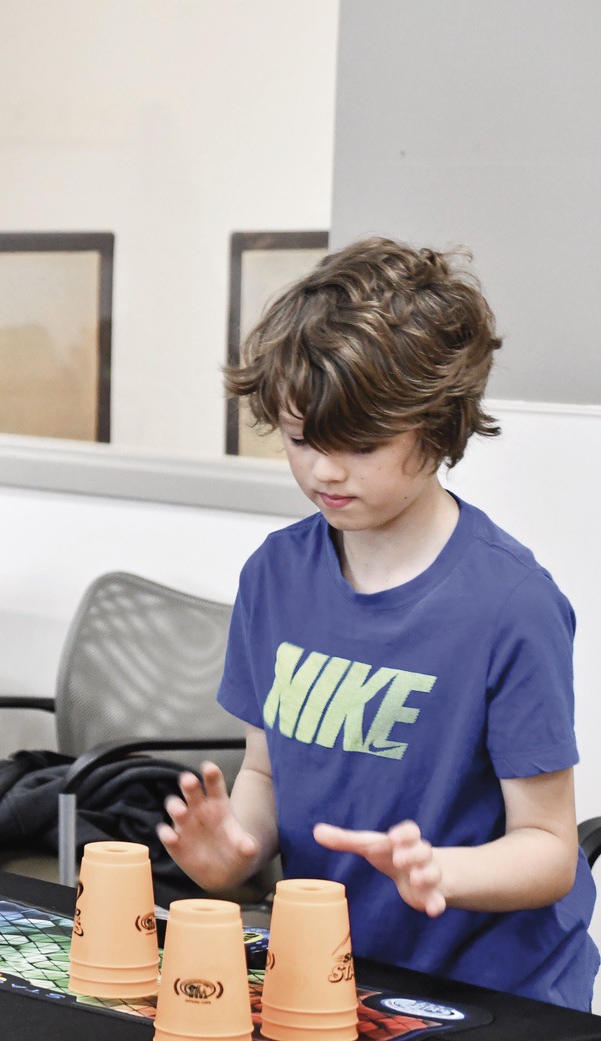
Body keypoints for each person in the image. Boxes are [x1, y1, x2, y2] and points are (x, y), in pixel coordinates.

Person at [158, 237, 599, 1010]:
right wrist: (235, 847)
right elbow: (263, 774)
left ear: (436, 428)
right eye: (301, 440)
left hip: (492, 990)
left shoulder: (510, 604)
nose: (324, 470)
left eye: (359, 446)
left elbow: (551, 850)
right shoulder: (274, 576)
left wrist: (442, 872)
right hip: (332, 979)